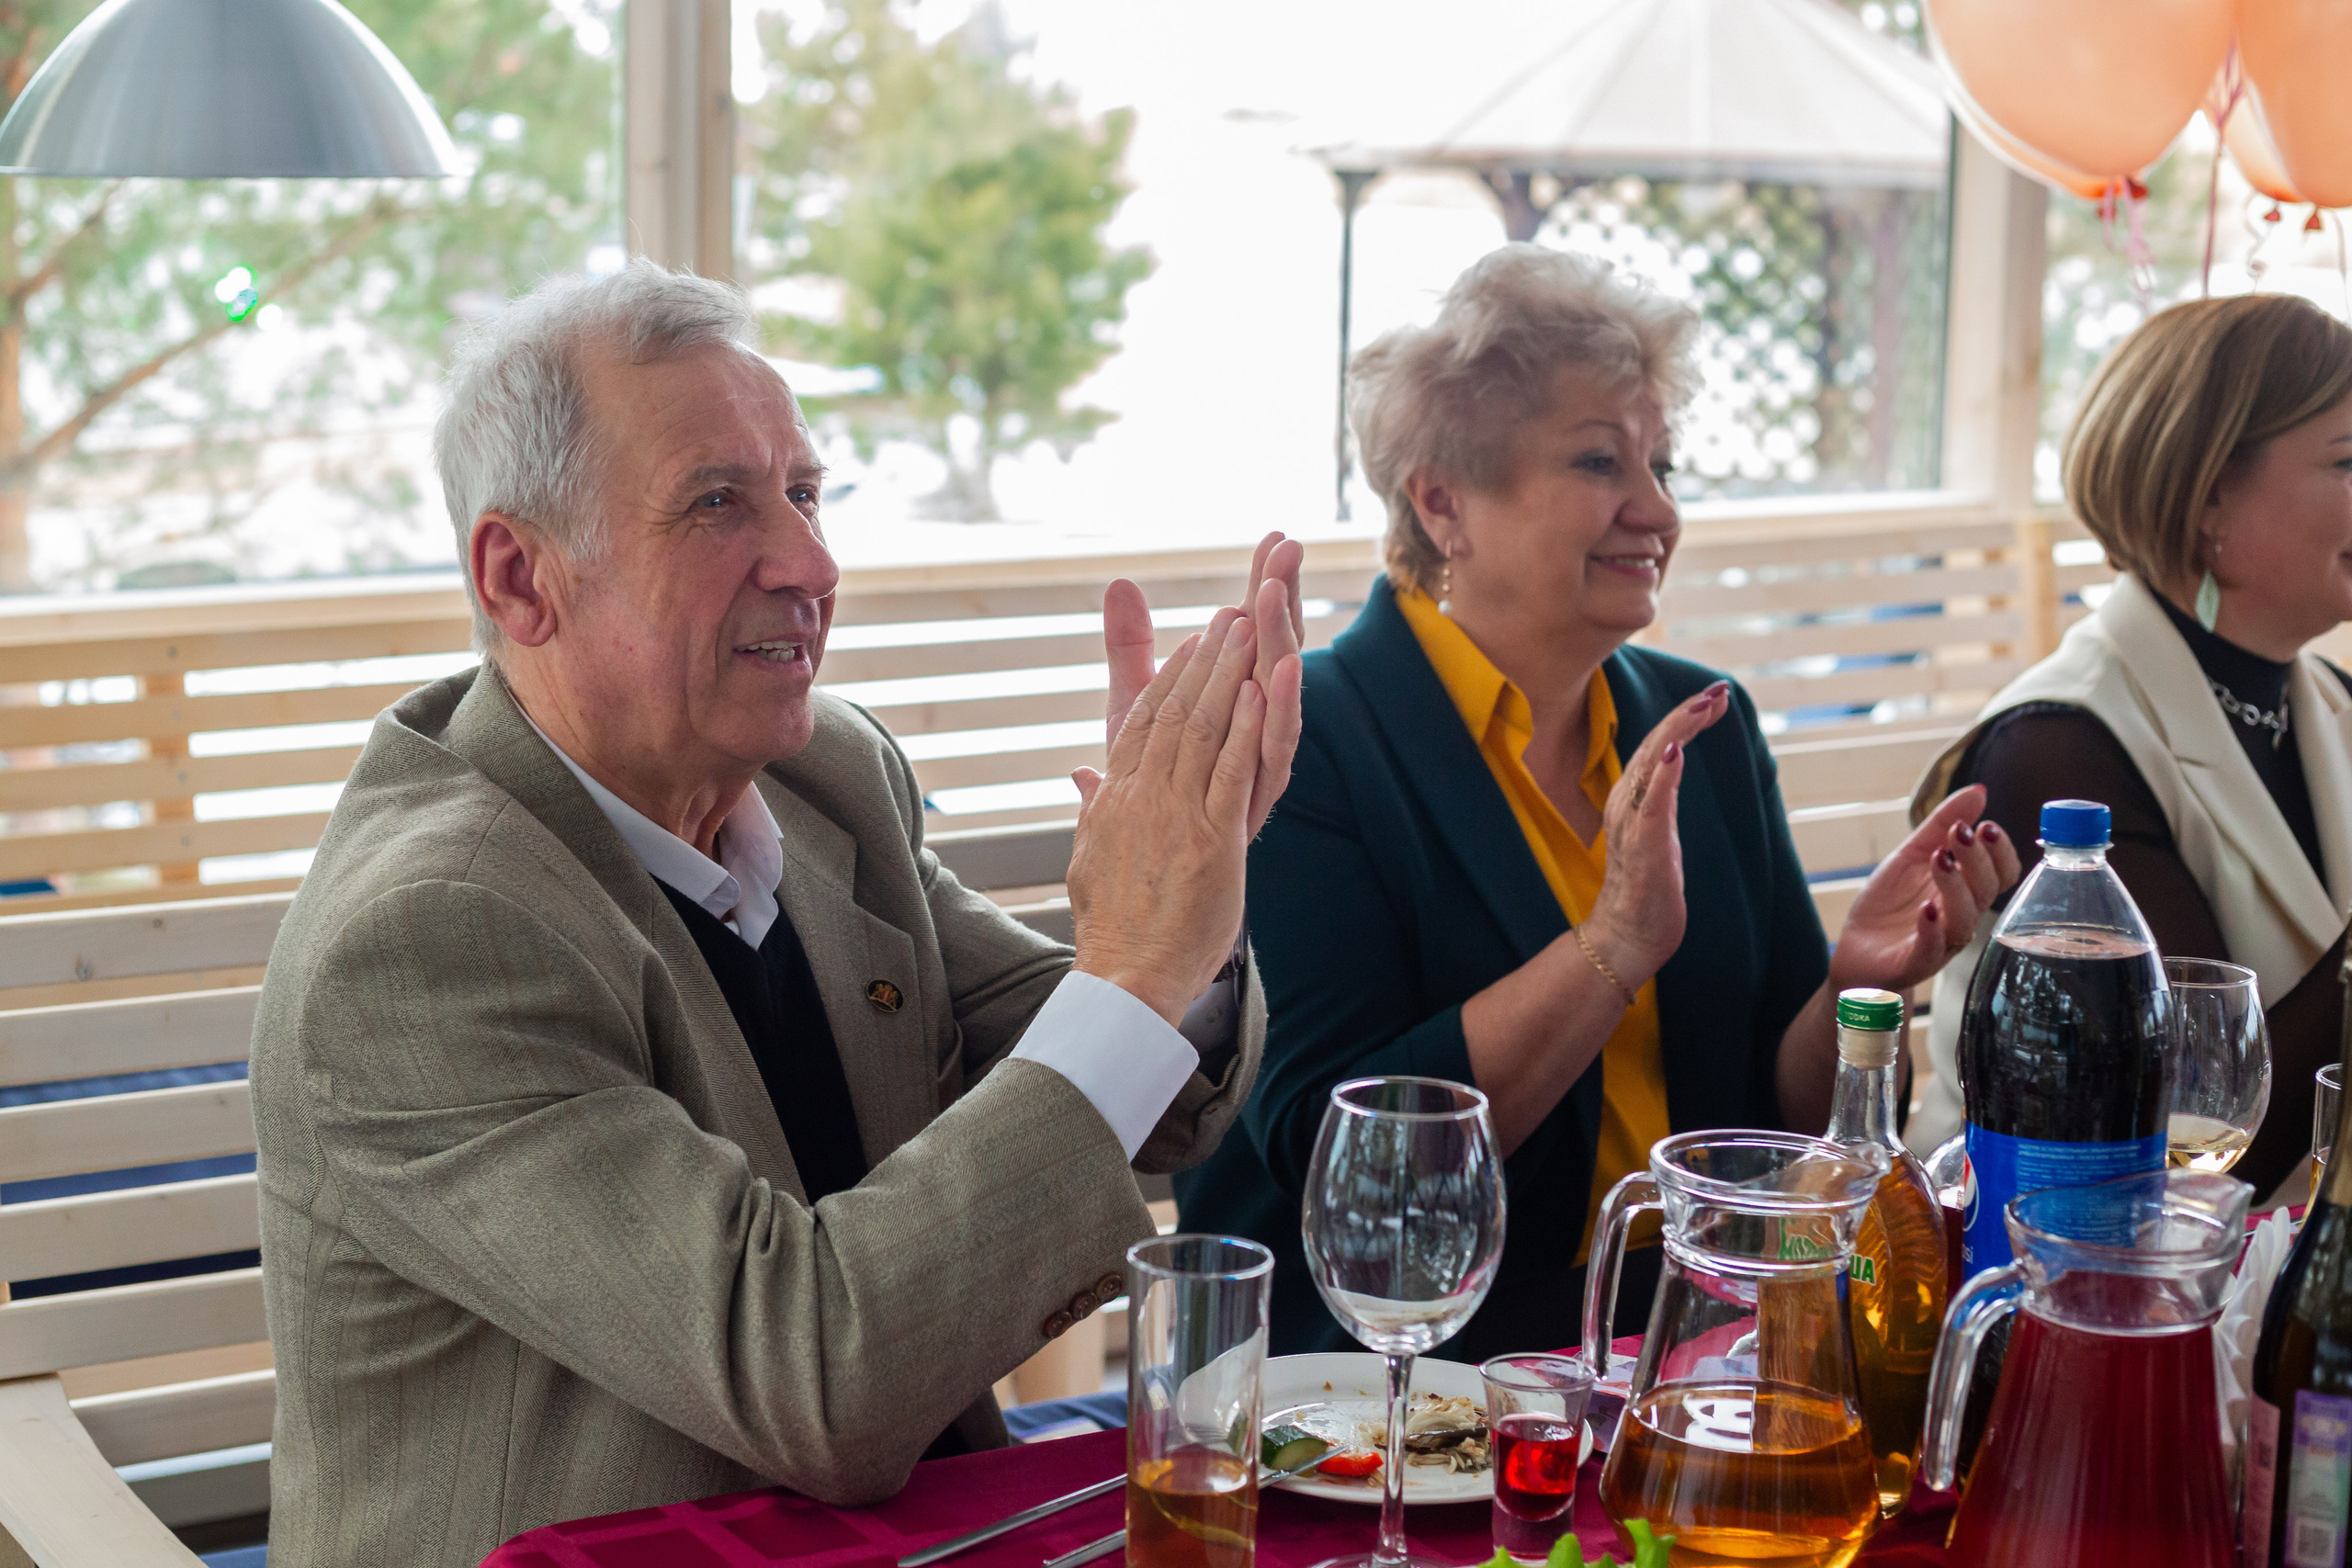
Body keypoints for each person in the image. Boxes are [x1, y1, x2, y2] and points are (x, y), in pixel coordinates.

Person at [248, 261, 1304, 1568]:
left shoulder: (825, 780)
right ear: (521, 579)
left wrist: (1193, 883)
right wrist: (1136, 969)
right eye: (716, 503)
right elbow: (816, 1377)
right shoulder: (427, 938)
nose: (812, 562)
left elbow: (1163, 1096)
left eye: (804, 492)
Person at [1176, 245, 2018, 1359]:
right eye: (1597, 462)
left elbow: (1785, 1128)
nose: (1656, 510)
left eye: (1661, 465)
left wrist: (1856, 988)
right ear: (1442, 501)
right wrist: (1613, 946)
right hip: (1387, 1375)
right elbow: (1350, 1164)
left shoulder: (1701, 724)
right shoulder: (1309, 740)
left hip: (1686, 1342)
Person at [1910, 293, 2352, 1198]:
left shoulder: (2331, 703)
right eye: (2348, 461)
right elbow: (2179, 1128)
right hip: (2044, 1255)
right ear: (2209, 495)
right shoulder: (2056, 748)